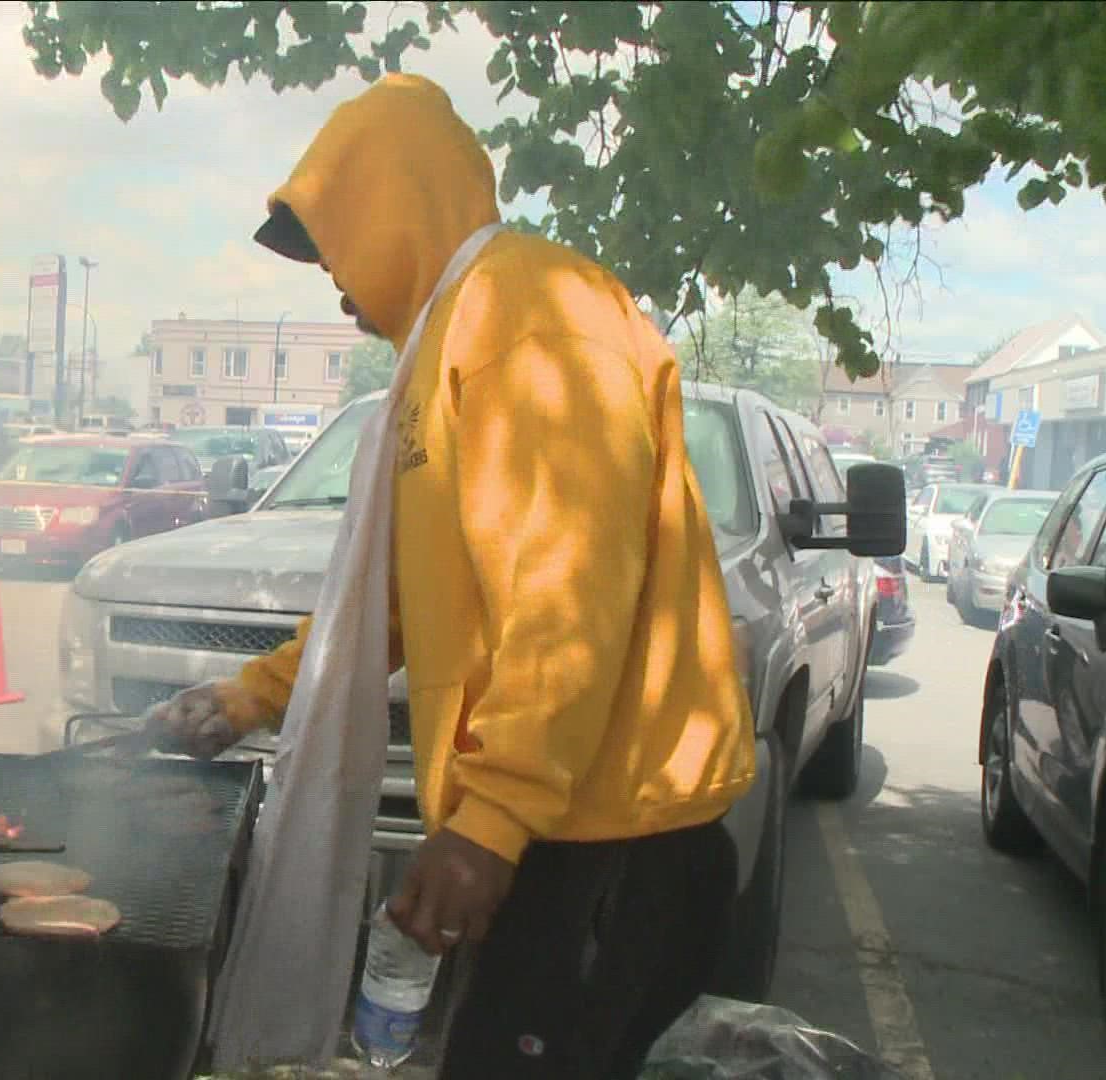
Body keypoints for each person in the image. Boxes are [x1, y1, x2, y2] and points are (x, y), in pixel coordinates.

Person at [146, 73, 757, 1079]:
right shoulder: (442, 349)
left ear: (395, 208)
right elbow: (392, 602)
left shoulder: (532, 319)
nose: (332, 282)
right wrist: (250, 695)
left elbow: (571, 588)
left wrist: (492, 819)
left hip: (610, 845)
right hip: (558, 835)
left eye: (334, 240)